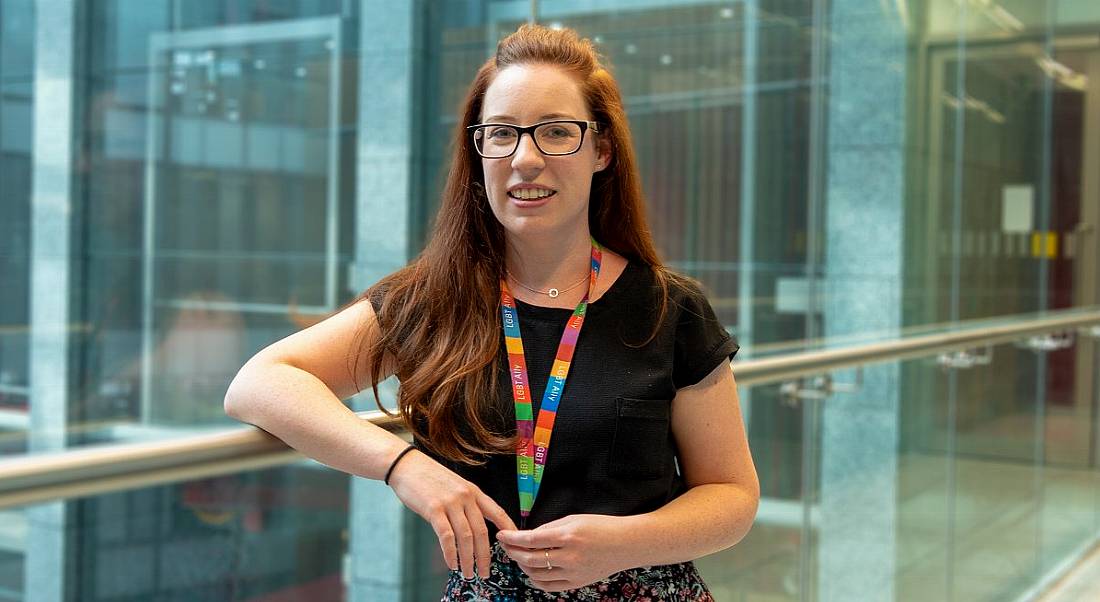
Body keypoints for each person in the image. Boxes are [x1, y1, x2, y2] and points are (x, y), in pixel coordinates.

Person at [225, 24, 758, 600]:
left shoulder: (669, 309)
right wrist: (404, 467)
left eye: (556, 133)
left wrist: (627, 542)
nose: (525, 159)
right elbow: (258, 383)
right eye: (501, 134)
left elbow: (731, 494)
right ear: (478, 152)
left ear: (602, 150)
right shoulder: (433, 301)